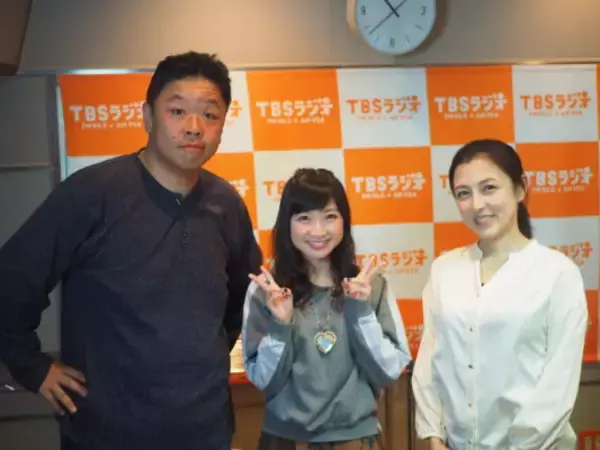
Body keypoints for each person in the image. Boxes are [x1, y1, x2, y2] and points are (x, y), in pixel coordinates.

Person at [0, 51, 262, 450]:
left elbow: (242, 299)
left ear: (222, 126)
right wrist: (33, 367)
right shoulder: (93, 194)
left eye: (210, 115)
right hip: (107, 432)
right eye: (177, 111)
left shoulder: (225, 204)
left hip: (203, 429)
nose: (194, 127)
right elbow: (11, 281)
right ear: (147, 116)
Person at [412, 139, 588, 450]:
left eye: (489, 188)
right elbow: (430, 361)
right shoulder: (444, 270)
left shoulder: (557, 273)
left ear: (521, 189)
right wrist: (433, 435)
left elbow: (558, 382)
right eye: (463, 193)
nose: (477, 204)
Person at [242, 168, 412, 450]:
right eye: (304, 218)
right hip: (285, 440)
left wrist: (360, 311)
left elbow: (389, 371)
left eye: (330, 217)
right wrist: (281, 325)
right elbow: (263, 380)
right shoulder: (267, 290)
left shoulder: (369, 285)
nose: (318, 231)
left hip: (355, 439)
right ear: (287, 224)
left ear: (344, 220)